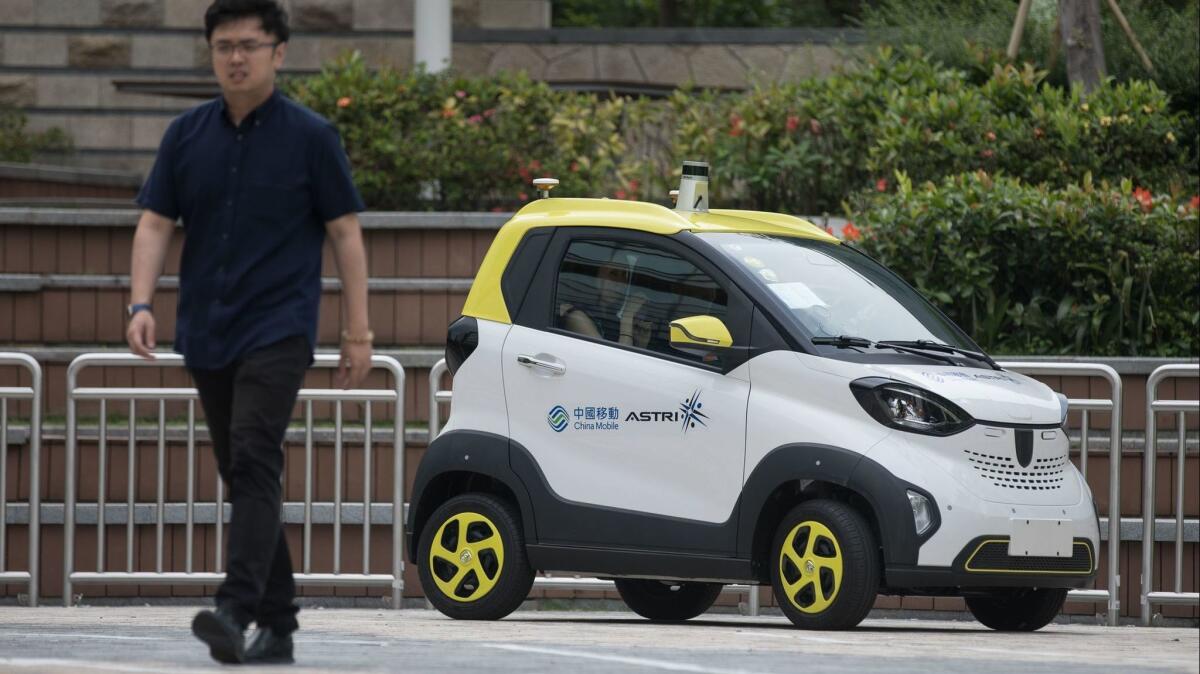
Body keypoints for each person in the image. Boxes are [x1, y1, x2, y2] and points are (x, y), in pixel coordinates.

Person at [125, 0, 371, 665]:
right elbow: (155, 222)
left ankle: (234, 607)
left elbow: (345, 232)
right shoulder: (185, 134)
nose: (237, 57)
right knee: (244, 472)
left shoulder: (311, 136)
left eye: (250, 45)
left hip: (278, 327)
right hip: (206, 327)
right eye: (224, 46)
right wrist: (139, 304)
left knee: (254, 457)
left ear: (278, 52)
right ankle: (281, 625)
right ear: (211, 53)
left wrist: (358, 331)